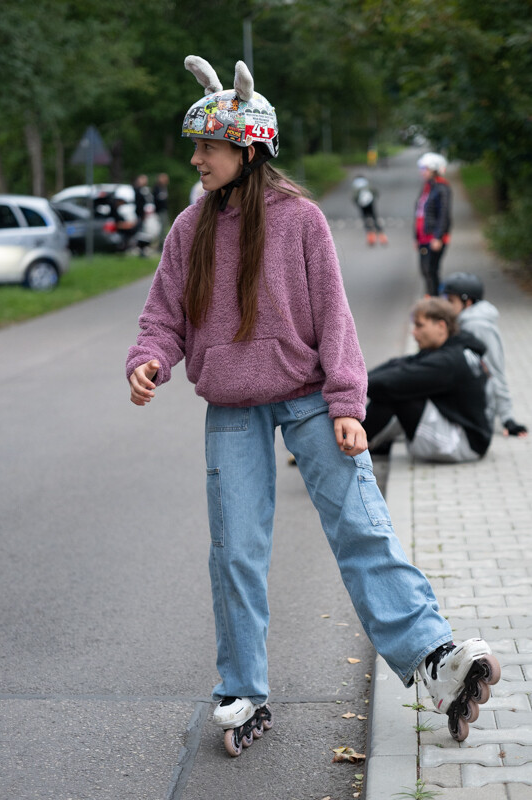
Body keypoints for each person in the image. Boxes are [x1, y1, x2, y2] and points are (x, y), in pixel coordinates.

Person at [126, 55, 500, 754]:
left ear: (248, 149)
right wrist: (149, 359)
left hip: (307, 399)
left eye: (208, 146)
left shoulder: (298, 221)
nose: (197, 158)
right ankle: (243, 687)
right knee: (235, 550)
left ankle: (436, 661)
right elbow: (162, 317)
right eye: (196, 146)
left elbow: (334, 318)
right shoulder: (190, 227)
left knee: (360, 528)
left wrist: (346, 402)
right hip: (233, 408)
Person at [363, 297, 492, 462]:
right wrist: (357, 381)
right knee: (395, 386)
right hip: (467, 432)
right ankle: (363, 440)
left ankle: (349, 447)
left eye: (419, 325)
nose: (413, 332)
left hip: (465, 444)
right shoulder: (454, 347)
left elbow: (390, 382)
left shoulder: (448, 362)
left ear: (441, 326)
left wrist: (353, 389)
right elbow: (400, 364)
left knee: (393, 392)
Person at [443, 272, 528, 438]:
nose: (447, 306)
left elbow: (495, 369)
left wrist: (507, 418)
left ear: (467, 302)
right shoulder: (464, 321)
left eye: (451, 301)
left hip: (478, 408)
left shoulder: (478, 327)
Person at [415, 153, 452, 295]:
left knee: (431, 270)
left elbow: (444, 215)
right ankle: (432, 299)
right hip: (423, 237)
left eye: (424, 168)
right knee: (426, 270)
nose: (422, 171)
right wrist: (415, 237)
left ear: (434, 169)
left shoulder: (442, 188)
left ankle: (435, 301)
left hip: (434, 237)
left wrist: (438, 237)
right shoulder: (427, 187)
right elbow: (419, 212)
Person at [352, 175, 388, 246]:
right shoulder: (366, 183)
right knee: (374, 218)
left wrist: (357, 203)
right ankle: (382, 237)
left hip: (361, 204)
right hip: (370, 202)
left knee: (366, 220)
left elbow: (355, 196)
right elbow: (374, 192)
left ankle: (371, 238)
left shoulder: (355, 183)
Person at [152, 172, 170, 250]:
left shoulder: (164, 188)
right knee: (161, 228)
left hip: (164, 210)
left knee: (164, 227)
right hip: (159, 211)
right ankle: (160, 245)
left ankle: (162, 244)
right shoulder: (157, 188)